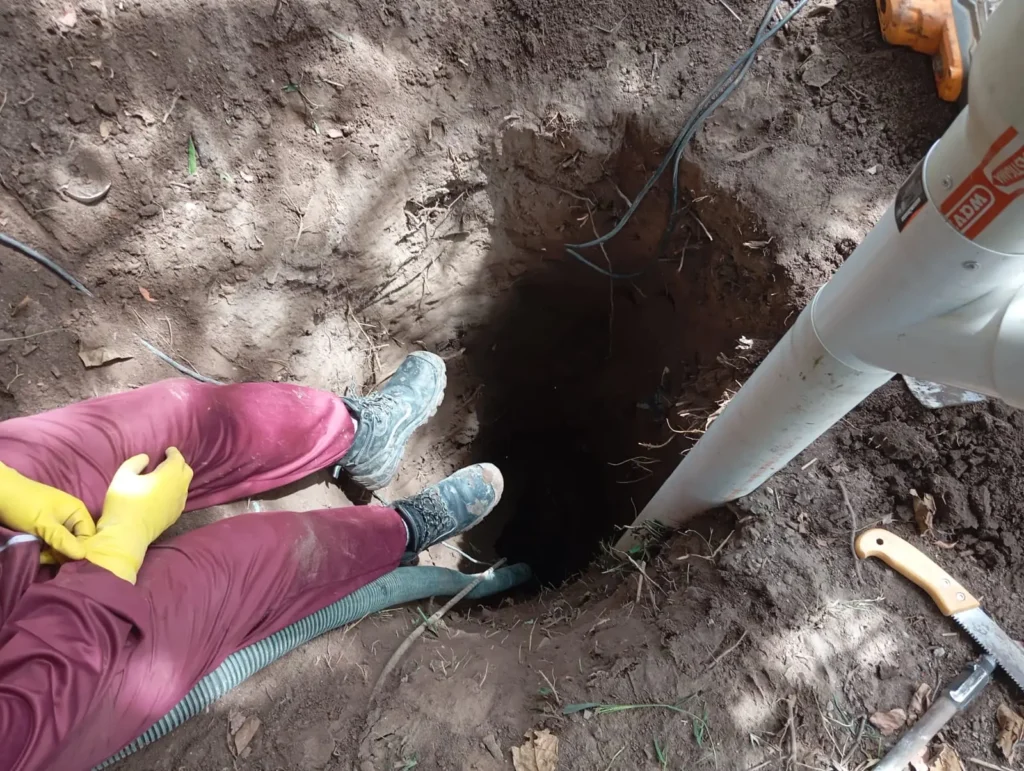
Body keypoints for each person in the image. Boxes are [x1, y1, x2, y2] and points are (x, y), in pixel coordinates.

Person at [0, 352, 503, 771]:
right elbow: (23, 725)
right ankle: (401, 534)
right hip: (42, 698)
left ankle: (358, 435)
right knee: (236, 569)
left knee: (175, 420)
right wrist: (117, 547)